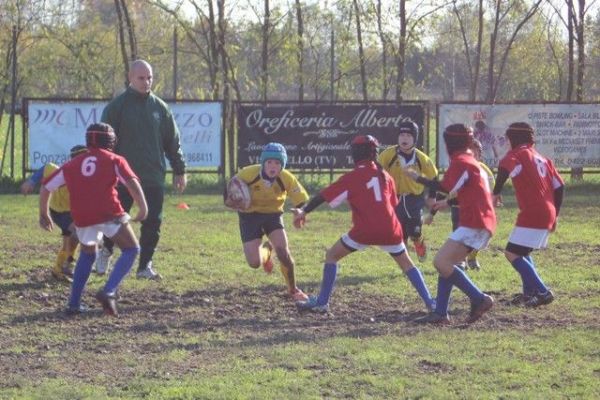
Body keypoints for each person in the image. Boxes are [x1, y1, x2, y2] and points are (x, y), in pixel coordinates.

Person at [293, 135, 435, 313]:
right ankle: (431, 303)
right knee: (408, 265)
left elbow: (324, 195)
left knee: (331, 256)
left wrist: (304, 211)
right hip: (391, 228)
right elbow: (392, 204)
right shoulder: (386, 176)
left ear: (355, 153)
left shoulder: (353, 176)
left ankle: (322, 302)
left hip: (364, 229)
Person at [39, 123, 148, 316]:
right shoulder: (115, 159)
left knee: (88, 254)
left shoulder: (73, 163)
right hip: (108, 211)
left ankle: (73, 304)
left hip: (81, 215)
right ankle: (108, 290)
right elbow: (131, 181)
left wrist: (44, 213)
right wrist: (143, 206)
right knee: (132, 249)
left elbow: (47, 186)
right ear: (110, 140)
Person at [98, 59, 186, 280]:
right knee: (115, 219)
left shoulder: (160, 108)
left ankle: (144, 266)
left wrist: (179, 169)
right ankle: (106, 250)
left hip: (153, 176)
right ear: (130, 77)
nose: (146, 82)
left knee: (153, 222)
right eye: (141, 78)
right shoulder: (116, 107)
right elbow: (103, 145)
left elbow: (172, 141)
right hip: (122, 178)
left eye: (150, 78)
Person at [406, 124, 495, 325]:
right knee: (447, 263)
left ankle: (479, 298)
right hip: (478, 220)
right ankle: (440, 313)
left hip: (475, 222)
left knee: (441, 262)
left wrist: (417, 178)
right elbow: (469, 192)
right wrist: (449, 202)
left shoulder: (461, 161)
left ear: (450, 143)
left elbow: (446, 186)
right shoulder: (469, 160)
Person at [493, 122, 564, 307]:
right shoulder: (542, 158)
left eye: (508, 139)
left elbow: (504, 167)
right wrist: (555, 213)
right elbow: (560, 186)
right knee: (522, 251)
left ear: (514, 139)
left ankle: (542, 291)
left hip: (533, 211)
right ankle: (529, 293)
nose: (508, 143)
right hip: (547, 210)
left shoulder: (518, 154)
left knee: (511, 253)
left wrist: (495, 192)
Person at [231, 142, 309, 302]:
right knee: (254, 263)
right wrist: (233, 198)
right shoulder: (248, 173)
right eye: (269, 162)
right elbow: (230, 189)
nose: (273, 166)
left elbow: (302, 200)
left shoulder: (286, 177)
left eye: (277, 163)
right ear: (263, 163)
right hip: (249, 217)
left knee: (284, 253)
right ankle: (266, 251)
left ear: (282, 165)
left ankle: (293, 290)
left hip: (273, 215)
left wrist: (300, 213)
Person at [21, 145, 88, 282]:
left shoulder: (86, 178)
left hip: (72, 211)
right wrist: (31, 181)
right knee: (76, 235)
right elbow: (45, 168)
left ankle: (60, 269)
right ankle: (66, 266)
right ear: (73, 161)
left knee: (70, 242)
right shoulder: (59, 171)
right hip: (57, 212)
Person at [378, 121, 437, 263]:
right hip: (394, 198)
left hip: (414, 199)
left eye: (408, 136)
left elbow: (433, 177)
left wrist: (432, 197)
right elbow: (378, 172)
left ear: (415, 139)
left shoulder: (421, 158)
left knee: (414, 232)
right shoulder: (388, 154)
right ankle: (406, 263)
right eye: (402, 135)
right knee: (399, 234)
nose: (404, 139)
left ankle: (419, 241)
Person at [445, 138, 495, 270]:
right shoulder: (458, 167)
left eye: (475, 153)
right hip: (458, 206)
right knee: (458, 232)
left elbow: (491, 187)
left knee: (476, 235)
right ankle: (460, 260)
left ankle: (472, 257)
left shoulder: (484, 171)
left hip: (477, 209)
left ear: (480, 155)